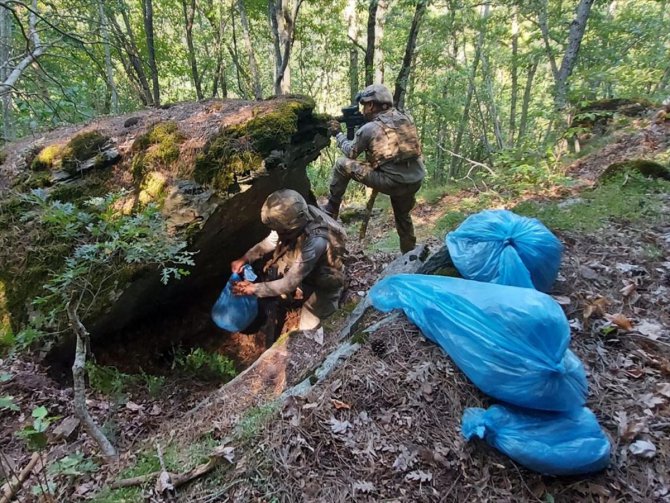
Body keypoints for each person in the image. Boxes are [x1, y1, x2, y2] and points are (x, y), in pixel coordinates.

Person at [324, 83, 425, 254]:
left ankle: (331, 207)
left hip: (394, 182)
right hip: (415, 178)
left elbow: (351, 153)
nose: (363, 109)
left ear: (371, 105)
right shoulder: (405, 118)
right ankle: (410, 255)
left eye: (364, 105)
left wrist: (338, 134)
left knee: (342, 164)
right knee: (403, 217)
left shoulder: (370, 128)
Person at [231, 189, 346, 331]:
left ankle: (332, 300)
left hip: (325, 281)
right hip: (307, 269)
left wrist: (253, 289)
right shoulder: (296, 215)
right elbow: (270, 242)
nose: (279, 233)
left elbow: (289, 283)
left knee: (307, 330)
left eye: (282, 231)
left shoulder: (317, 241)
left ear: (292, 226)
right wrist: (245, 258)